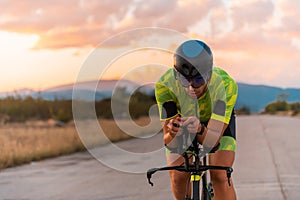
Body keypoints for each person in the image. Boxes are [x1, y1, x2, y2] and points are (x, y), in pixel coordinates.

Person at [155, 40, 238, 200]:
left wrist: (200, 129)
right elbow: (168, 141)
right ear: (175, 74)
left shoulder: (225, 85)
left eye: (198, 80)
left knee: (220, 174)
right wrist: (172, 132)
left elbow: (212, 142)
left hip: (216, 124)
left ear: (209, 74)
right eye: (184, 80)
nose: (191, 87)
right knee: (178, 177)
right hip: (184, 124)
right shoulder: (165, 85)